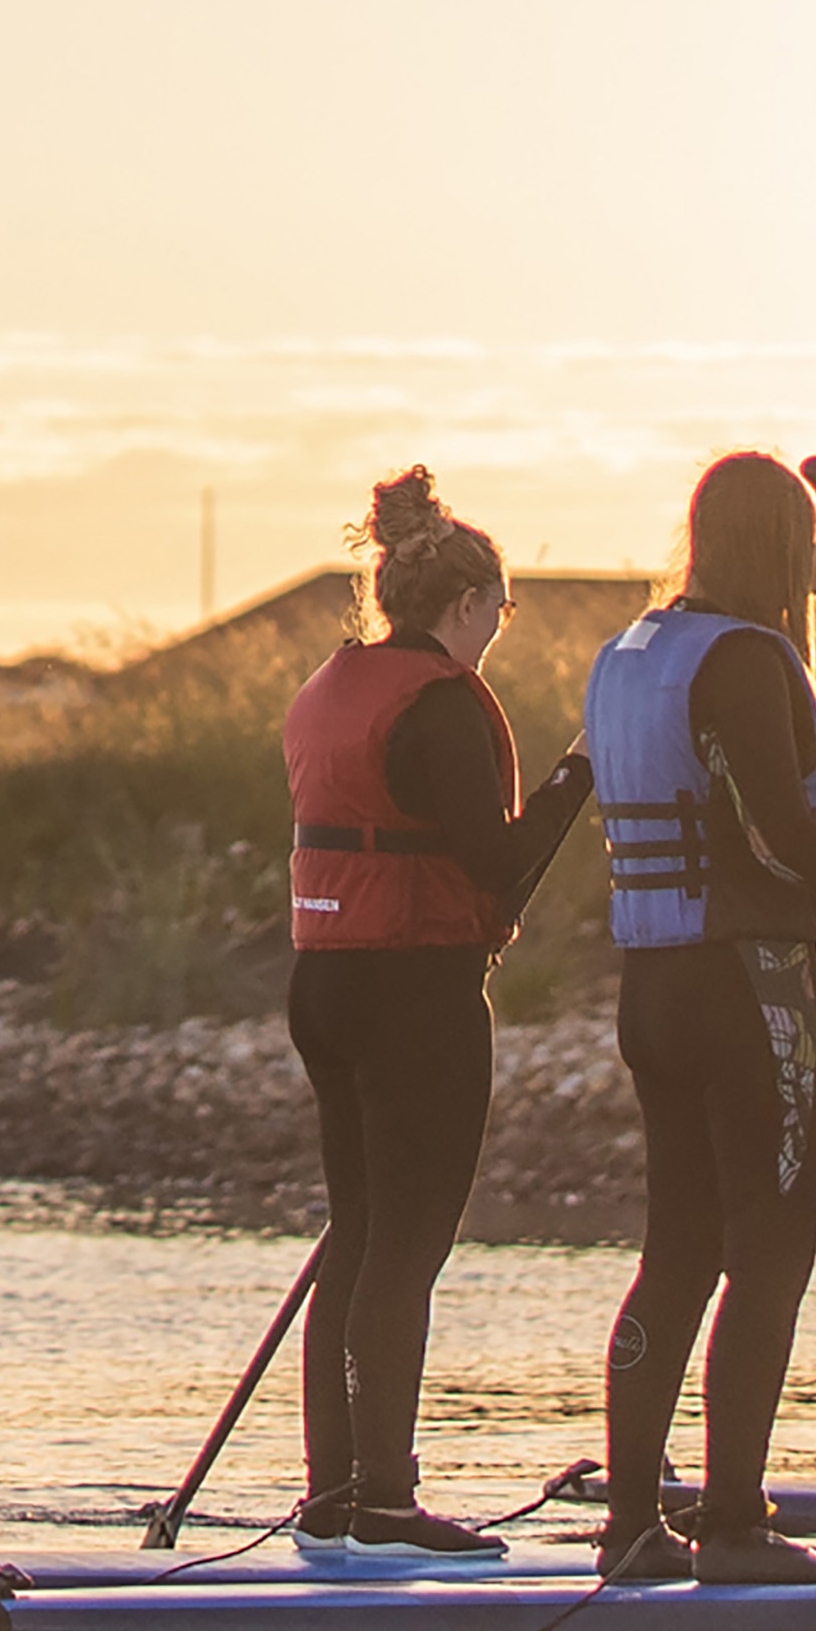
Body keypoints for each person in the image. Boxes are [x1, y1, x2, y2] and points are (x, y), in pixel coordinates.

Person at [583, 446, 816, 1581]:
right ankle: (737, 1526)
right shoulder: (750, 661)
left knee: (676, 1256)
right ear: (775, 549)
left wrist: (814, 568)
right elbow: (784, 840)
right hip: (752, 994)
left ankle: (633, 1524)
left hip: (654, 988)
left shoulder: (633, 650)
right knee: (767, 1258)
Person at [273, 466, 591, 1548]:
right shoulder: (443, 703)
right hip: (413, 990)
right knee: (406, 1247)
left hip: (325, 982)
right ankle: (386, 1503)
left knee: (358, 1236)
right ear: (464, 603)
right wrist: (579, 772)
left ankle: (333, 1494)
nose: (500, 628)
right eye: (501, 610)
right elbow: (497, 864)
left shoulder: (331, 687)